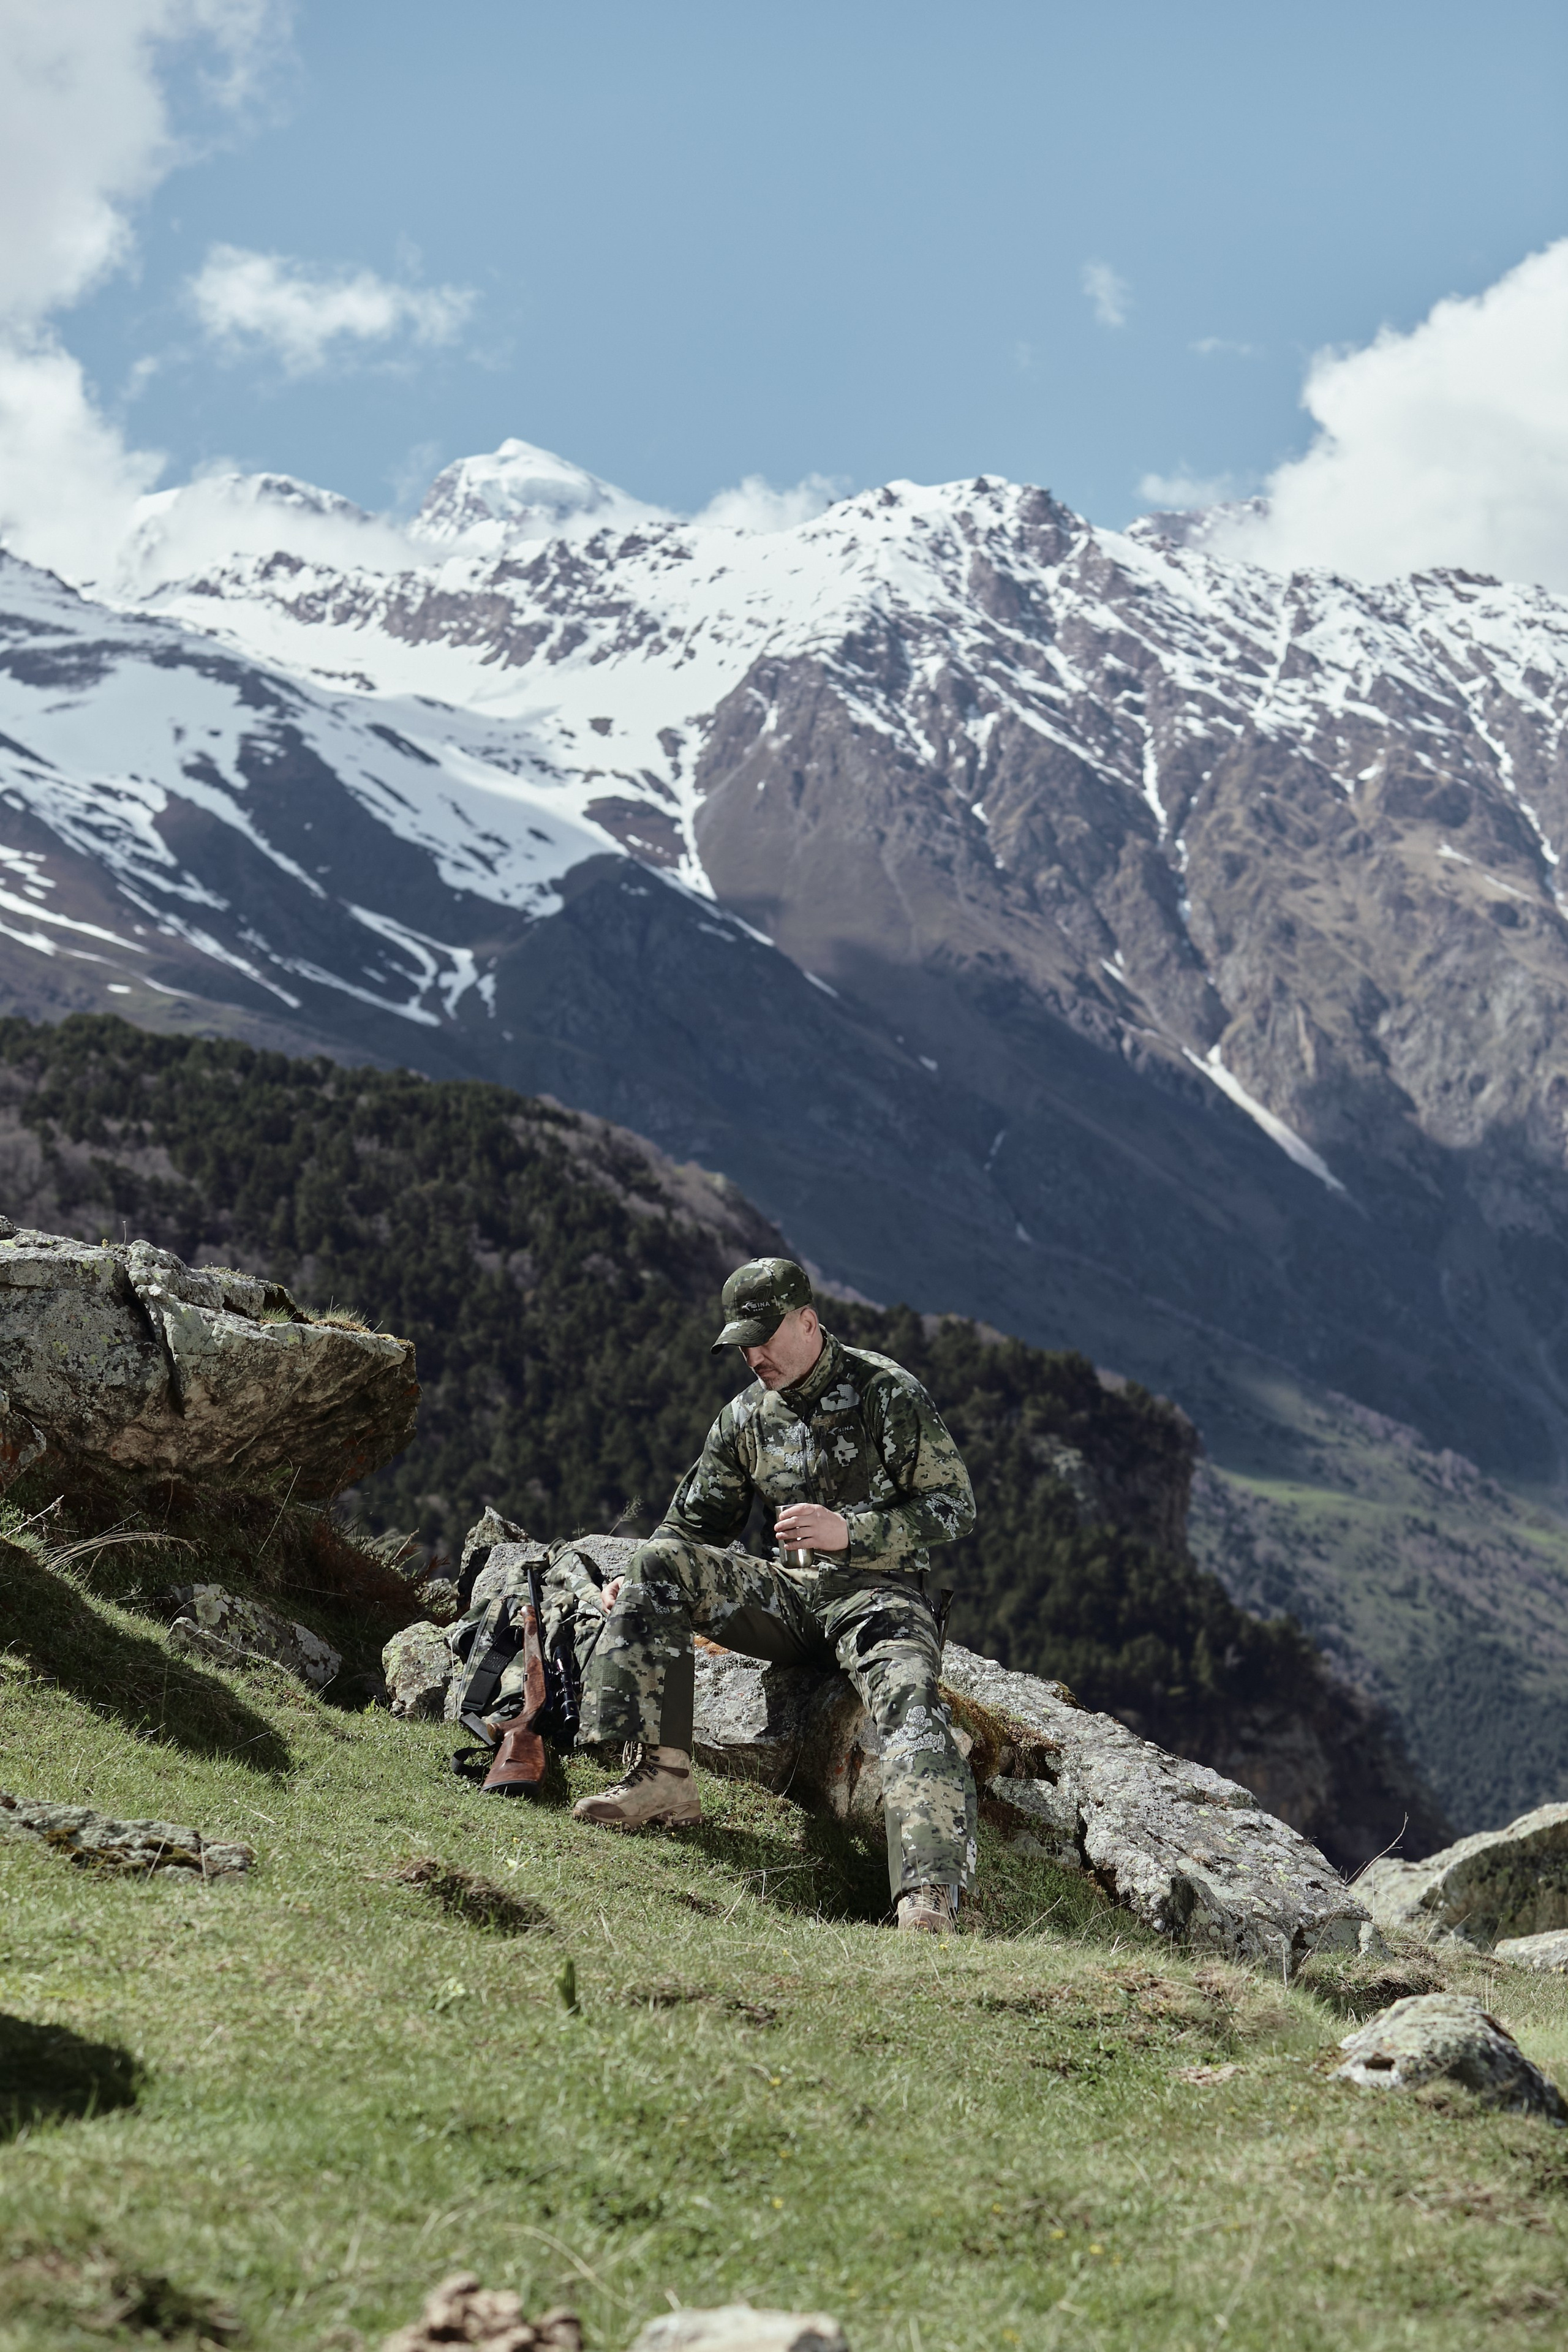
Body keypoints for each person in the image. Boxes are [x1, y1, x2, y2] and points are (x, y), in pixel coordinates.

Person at [570, 1256, 978, 1934]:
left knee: (909, 1697)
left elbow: (954, 1507)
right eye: (743, 1345)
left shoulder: (886, 1392)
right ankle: (662, 1778)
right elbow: (693, 1524)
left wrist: (850, 1531)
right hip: (790, 1598)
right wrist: (639, 1578)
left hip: (881, 1595)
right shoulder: (745, 1418)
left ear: (808, 1321)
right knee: (656, 1561)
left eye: (765, 1338)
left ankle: (926, 1895)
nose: (754, 1356)